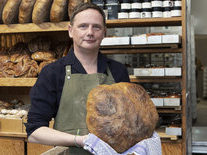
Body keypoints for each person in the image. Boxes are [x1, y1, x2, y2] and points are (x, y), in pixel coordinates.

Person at [26, 2, 160, 155]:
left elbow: (131, 121)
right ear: (70, 31)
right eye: (83, 26)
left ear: (104, 32)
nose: (90, 32)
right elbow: (35, 132)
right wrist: (81, 140)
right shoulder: (52, 73)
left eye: (96, 27)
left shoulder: (118, 71)